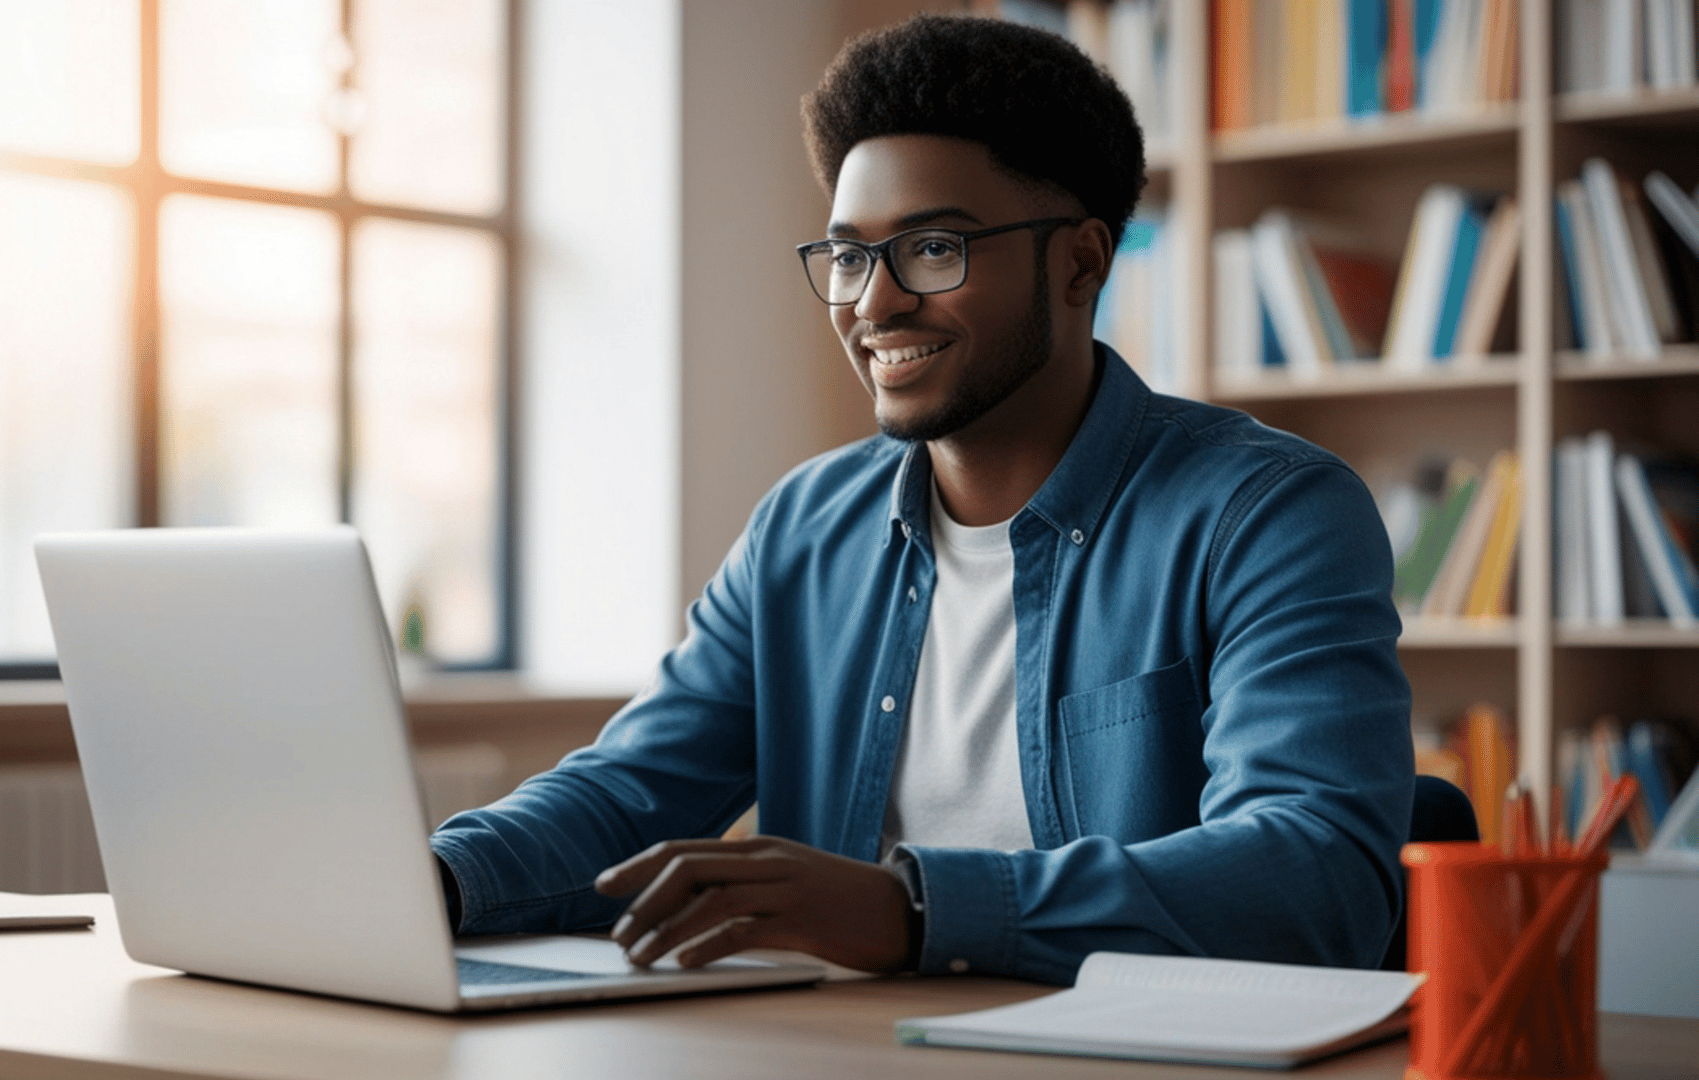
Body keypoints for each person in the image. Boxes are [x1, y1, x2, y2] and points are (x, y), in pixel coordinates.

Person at [429, 13, 1414, 985]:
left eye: (934, 248)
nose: (872, 302)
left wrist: (911, 908)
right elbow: (628, 797)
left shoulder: (1270, 514)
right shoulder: (804, 528)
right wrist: (431, 882)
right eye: (849, 256)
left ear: (1080, 261)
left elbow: (1316, 872)